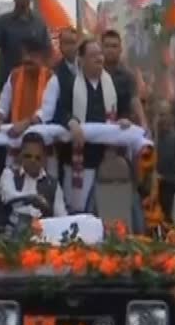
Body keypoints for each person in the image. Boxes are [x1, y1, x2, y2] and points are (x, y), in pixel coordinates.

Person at [51, 39, 132, 212]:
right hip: (78, 159)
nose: (99, 59)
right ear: (81, 59)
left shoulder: (112, 83)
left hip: (106, 158)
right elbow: (59, 111)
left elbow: (124, 110)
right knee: (78, 210)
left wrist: (123, 120)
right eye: (93, 55)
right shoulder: (70, 84)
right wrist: (71, 122)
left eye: (100, 54)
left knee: (105, 211)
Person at [0, 132, 67, 231]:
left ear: (44, 159)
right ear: (21, 155)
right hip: (10, 234)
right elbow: (8, 196)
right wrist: (33, 198)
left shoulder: (53, 185)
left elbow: (62, 218)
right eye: (28, 156)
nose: (33, 161)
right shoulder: (9, 174)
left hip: (41, 235)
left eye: (37, 157)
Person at [0, 38, 53, 137]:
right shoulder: (14, 75)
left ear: (42, 58)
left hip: (42, 139)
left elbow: (47, 111)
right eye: (25, 55)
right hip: (15, 138)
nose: (27, 59)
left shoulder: (50, 77)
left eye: (32, 56)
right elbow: (3, 104)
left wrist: (26, 123)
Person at [101, 29, 147, 129]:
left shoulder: (128, 76)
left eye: (114, 46)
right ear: (101, 48)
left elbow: (134, 100)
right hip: (99, 127)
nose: (110, 50)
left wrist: (143, 123)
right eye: (107, 46)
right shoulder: (94, 74)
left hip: (122, 127)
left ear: (120, 49)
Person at [37, 27, 79, 124]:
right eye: (66, 43)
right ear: (60, 46)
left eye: (73, 42)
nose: (71, 47)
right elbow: (48, 109)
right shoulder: (55, 75)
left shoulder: (88, 67)